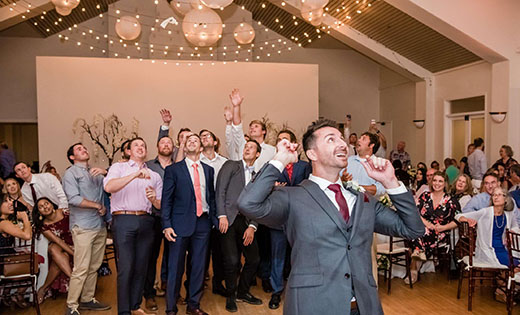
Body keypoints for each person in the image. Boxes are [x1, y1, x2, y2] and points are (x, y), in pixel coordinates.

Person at [237, 119, 424, 315]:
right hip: (314, 306)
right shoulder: (293, 197)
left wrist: (390, 181)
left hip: (363, 307)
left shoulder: (363, 200)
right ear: (312, 154)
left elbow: (413, 229)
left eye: (342, 139)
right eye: (331, 139)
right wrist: (280, 160)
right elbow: (248, 203)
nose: (343, 144)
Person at [225, 88, 276, 293]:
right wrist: (237, 107)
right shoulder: (243, 146)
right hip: (240, 203)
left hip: (263, 202)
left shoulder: (271, 150)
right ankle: (239, 285)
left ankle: (262, 277)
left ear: (263, 131)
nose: (252, 128)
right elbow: (237, 129)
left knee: (263, 244)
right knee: (237, 250)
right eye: (251, 126)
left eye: (256, 126)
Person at [104, 137, 163, 315]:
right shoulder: (118, 168)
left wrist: (153, 199)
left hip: (146, 221)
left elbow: (160, 205)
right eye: (136, 145)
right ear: (128, 151)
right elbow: (109, 187)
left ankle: (135, 306)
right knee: (126, 267)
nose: (140, 147)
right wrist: (135, 175)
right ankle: (123, 311)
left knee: (141, 267)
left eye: (143, 145)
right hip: (124, 220)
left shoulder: (155, 175)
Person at [162, 133, 218, 315]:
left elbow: (211, 197)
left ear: (201, 148)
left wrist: (213, 220)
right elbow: (166, 200)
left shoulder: (209, 170)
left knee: (199, 266)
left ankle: (193, 305)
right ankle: (171, 308)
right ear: (184, 148)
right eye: (189, 141)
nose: (192, 142)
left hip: (203, 224)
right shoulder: (173, 170)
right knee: (175, 267)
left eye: (196, 140)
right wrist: (166, 224)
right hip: (178, 224)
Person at [62, 143, 110, 315]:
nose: (84, 150)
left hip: (99, 225)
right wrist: (97, 205)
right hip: (82, 226)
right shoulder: (70, 173)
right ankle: (71, 305)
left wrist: (106, 172)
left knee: (94, 265)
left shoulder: (95, 172)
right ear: (72, 157)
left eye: (84, 148)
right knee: (81, 268)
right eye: (79, 149)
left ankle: (87, 299)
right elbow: (73, 199)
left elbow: (108, 191)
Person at [216, 139, 263, 312]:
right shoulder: (231, 165)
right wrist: (221, 215)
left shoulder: (258, 176)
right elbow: (220, 190)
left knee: (254, 259)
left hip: (247, 221)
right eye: (246, 147)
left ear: (258, 154)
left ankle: (243, 292)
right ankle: (231, 296)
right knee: (232, 261)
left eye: (251, 148)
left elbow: (259, 202)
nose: (247, 149)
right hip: (228, 220)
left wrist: (253, 226)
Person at [268, 130, 311, 310]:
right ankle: (276, 292)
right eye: (279, 141)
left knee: (299, 257)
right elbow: (263, 188)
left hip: (300, 219)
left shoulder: (304, 166)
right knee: (277, 257)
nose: (282, 143)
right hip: (278, 219)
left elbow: (310, 188)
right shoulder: (273, 166)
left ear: (294, 144)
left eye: (285, 140)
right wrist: (273, 187)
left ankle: (299, 292)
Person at [455, 187, 519, 302]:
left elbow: (515, 226)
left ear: (506, 199)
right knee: (513, 266)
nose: (496, 197)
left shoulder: (508, 215)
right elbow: (458, 215)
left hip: (503, 248)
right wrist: (467, 220)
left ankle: (504, 289)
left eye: (500, 194)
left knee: (516, 265)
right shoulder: (485, 212)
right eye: (494, 194)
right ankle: (504, 290)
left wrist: (512, 231)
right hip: (487, 249)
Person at [408, 172, 460, 284]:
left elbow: (458, 220)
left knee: (419, 234)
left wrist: (443, 227)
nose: (437, 183)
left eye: (440, 181)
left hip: (440, 232)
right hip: (424, 227)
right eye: (435, 180)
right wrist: (427, 223)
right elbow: (415, 212)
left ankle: (414, 264)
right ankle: (417, 256)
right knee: (419, 231)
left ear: (445, 183)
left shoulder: (451, 201)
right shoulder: (425, 196)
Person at [143, 133, 174, 311]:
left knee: (173, 257)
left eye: (169, 143)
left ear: (173, 148)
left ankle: (172, 292)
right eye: (163, 142)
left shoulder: (178, 166)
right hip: (152, 217)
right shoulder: (147, 166)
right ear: (157, 147)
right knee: (151, 257)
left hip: (172, 218)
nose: (166, 144)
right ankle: (149, 294)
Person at [199, 129, 228, 297]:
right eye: (201, 136)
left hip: (219, 211)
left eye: (208, 136)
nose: (204, 138)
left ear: (215, 142)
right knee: (200, 251)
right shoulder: (195, 162)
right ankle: (197, 283)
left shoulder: (224, 162)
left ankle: (218, 283)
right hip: (201, 210)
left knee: (219, 251)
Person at [33, 197, 74, 304]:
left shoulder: (65, 212)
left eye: (46, 203)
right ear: (39, 212)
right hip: (62, 246)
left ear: (52, 204)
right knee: (53, 248)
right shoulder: (44, 226)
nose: (45, 207)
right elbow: (59, 241)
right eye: (41, 207)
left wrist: (76, 251)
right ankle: (75, 279)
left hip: (76, 242)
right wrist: (73, 254)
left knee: (57, 261)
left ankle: (43, 288)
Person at [0, 197, 32, 309]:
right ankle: (18, 295)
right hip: (4, 264)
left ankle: (6, 295)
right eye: (6, 201)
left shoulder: (6, 221)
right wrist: (25, 218)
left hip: (7, 260)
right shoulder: (3, 223)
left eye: (11, 200)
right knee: (34, 264)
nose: (11, 203)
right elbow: (27, 236)